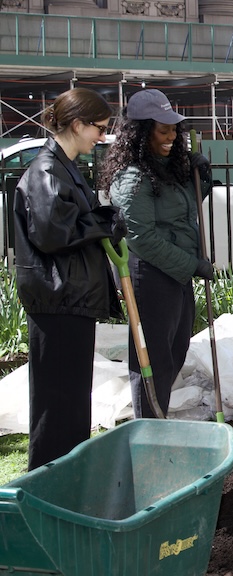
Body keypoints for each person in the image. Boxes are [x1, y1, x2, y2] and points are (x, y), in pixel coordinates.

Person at [13, 88, 124, 470]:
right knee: (58, 403)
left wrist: (101, 220)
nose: (102, 137)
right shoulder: (46, 170)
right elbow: (50, 232)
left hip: (69, 299)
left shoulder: (63, 167)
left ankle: (65, 480)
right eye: (99, 128)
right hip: (58, 300)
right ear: (77, 124)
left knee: (72, 401)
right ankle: (48, 485)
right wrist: (100, 223)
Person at [98, 89, 213, 419]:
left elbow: (181, 213)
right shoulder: (133, 177)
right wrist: (191, 264)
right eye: (163, 130)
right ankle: (150, 424)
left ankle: (157, 417)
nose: (171, 136)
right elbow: (142, 237)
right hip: (151, 273)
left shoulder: (165, 168)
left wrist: (199, 181)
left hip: (175, 272)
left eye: (174, 130)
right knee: (153, 358)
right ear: (141, 133)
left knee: (177, 349)